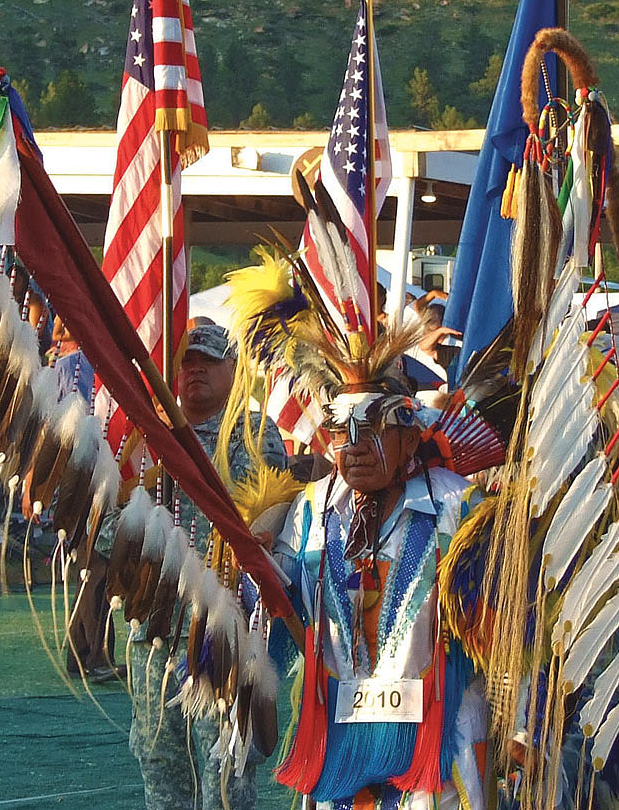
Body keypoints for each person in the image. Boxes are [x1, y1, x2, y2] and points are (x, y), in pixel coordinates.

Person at [268, 343, 487, 810]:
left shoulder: (458, 508)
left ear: (409, 438)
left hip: (441, 745)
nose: (356, 447)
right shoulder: (313, 509)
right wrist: (245, 559)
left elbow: (505, 627)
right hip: (342, 742)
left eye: (373, 428)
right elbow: (276, 606)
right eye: (343, 431)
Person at [126, 321, 290, 810]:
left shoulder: (253, 433)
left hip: (222, 624)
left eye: (207, 361)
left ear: (233, 369)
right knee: (160, 758)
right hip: (154, 627)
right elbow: (113, 529)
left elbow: (261, 521)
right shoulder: (143, 436)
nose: (194, 370)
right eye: (186, 363)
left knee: (224, 766)